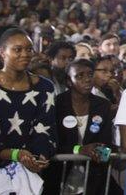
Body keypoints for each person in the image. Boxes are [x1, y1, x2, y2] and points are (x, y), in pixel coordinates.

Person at [0, 28, 57, 195]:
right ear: (2, 52)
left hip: (28, 173)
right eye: (17, 49)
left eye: (29, 49)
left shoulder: (44, 87)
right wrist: (14, 154)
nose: (25, 54)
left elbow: (46, 129)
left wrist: (38, 157)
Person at [43, 59, 114, 195]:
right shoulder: (57, 104)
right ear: (69, 81)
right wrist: (79, 150)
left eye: (90, 74)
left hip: (93, 177)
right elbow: (51, 143)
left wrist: (101, 152)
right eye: (79, 76)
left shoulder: (103, 105)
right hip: (59, 176)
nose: (87, 79)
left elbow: (106, 144)